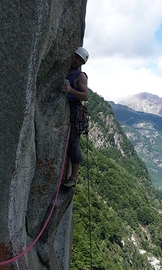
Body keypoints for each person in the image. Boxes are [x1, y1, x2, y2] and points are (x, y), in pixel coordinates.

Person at [60, 47, 89, 188]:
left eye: (79, 59)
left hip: (74, 114)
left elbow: (85, 96)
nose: (76, 60)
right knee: (69, 145)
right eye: (76, 57)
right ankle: (67, 175)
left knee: (73, 144)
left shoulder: (80, 76)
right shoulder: (68, 71)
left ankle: (73, 178)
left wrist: (70, 90)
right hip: (68, 111)